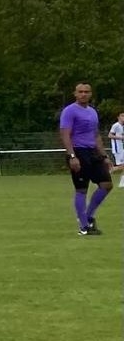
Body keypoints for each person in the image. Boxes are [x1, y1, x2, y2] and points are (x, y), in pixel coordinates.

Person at [60, 82, 111, 235]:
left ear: (90, 94)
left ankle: (87, 217)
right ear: (75, 93)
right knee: (82, 189)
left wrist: (104, 156)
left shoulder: (92, 112)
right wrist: (72, 156)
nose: (83, 94)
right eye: (80, 91)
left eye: (86, 92)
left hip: (93, 152)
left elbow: (96, 135)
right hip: (78, 151)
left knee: (106, 184)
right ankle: (84, 227)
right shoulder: (69, 111)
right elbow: (65, 134)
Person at [110, 112, 124, 187]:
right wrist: (120, 137)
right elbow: (110, 135)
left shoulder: (122, 126)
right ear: (118, 117)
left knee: (123, 166)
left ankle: (122, 183)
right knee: (122, 166)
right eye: (122, 116)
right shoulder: (116, 125)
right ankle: (108, 171)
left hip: (122, 148)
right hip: (117, 149)